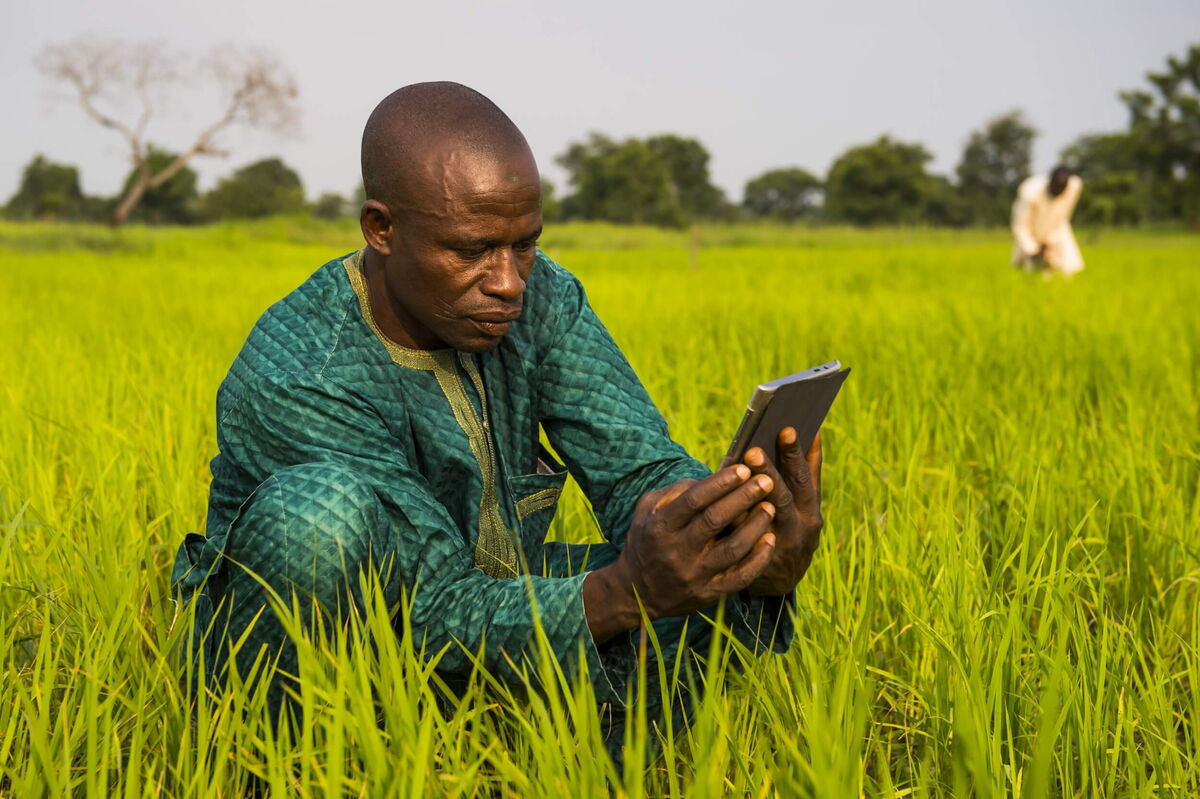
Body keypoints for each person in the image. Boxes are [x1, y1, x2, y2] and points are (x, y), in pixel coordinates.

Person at [172, 82, 824, 752]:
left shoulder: (539, 298)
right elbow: (433, 607)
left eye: (525, 245)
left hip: (494, 593)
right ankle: (287, 761)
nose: (509, 280)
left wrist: (745, 541)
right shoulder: (302, 370)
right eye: (472, 248)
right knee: (312, 520)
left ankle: (575, 753)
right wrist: (627, 591)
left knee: (695, 562)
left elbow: (641, 471)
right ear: (383, 229)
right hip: (363, 637)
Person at [1011, 165, 1085, 276]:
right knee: (1031, 272)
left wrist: (1051, 239)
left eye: (1062, 189)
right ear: (1050, 181)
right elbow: (1020, 225)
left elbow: (1065, 213)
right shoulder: (1030, 191)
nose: (1058, 192)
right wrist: (1033, 249)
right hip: (1032, 233)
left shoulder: (1074, 186)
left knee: (1068, 269)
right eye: (1056, 188)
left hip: (1057, 229)